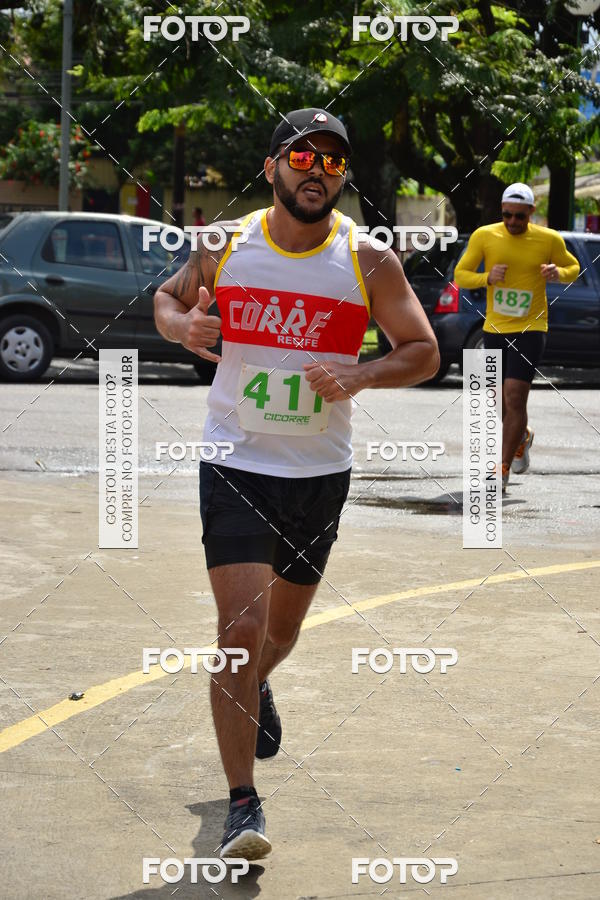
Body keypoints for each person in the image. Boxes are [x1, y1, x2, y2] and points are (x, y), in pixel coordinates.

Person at [153, 108, 439, 860]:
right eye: (304, 157)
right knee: (240, 635)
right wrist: (182, 329)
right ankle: (243, 805)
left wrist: (365, 371)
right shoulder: (224, 243)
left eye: (334, 163)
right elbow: (167, 299)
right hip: (237, 459)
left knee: (280, 634)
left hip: (320, 472)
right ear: (275, 164)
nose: (319, 172)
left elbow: (424, 351)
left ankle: (256, 689)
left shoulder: (370, 259)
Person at [454, 182, 580, 493]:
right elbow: (461, 274)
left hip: (531, 329)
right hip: (494, 329)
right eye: (507, 215)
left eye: (519, 217)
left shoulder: (548, 239)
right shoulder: (485, 235)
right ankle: (522, 435)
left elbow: (574, 267)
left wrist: (558, 273)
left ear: (531, 213)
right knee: (500, 403)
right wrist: (487, 278)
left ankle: (503, 468)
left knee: (514, 397)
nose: (512, 222)